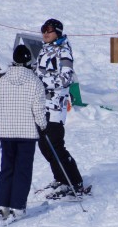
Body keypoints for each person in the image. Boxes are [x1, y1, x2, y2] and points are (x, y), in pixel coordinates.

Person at [0, 44, 47, 220]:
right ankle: (18, 205)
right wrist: (42, 125)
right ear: (29, 60)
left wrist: (1, 125)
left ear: (14, 60)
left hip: (6, 133)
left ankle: (2, 204)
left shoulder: (3, 80)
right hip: (27, 134)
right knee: (22, 170)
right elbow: (38, 109)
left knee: (7, 168)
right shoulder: (35, 81)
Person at [34, 18, 87, 199]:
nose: (45, 34)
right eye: (43, 30)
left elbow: (66, 78)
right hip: (42, 105)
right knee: (44, 145)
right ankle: (60, 177)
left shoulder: (63, 51)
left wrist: (40, 83)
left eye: (49, 31)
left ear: (57, 32)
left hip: (55, 107)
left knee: (55, 145)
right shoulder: (45, 49)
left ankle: (73, 181)